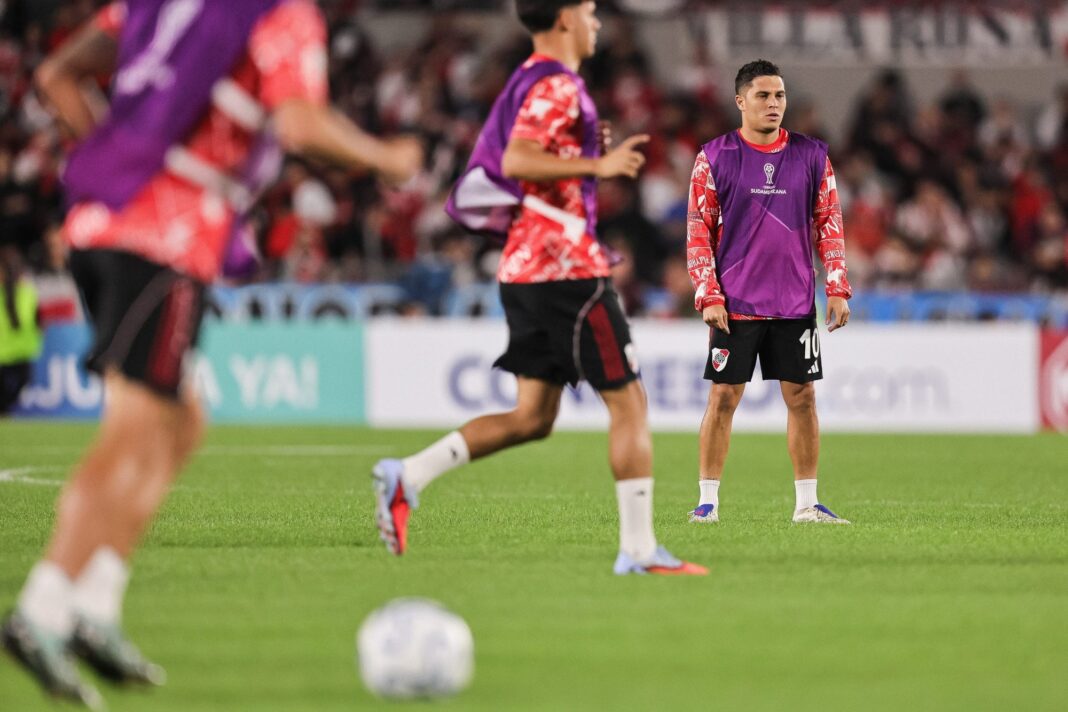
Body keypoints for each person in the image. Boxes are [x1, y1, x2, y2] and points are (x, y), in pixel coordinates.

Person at [1, 1, 422, 707]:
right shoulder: (281, 13)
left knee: (183, 420)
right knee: (135, 429)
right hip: (161, 240)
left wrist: (121, 163)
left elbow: (57, 75)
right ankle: (42, 609)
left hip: (106, 222)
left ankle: (97, 607)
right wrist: (390, 159)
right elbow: (299, 124)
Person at [372, 0, 706, 577]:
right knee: (629, 402)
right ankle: (641, 550)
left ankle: (410, 474)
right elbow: (520, 157)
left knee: (533, 417)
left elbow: (530, 156)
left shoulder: (528, 78)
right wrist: (596, 167)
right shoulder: (556, 83)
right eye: (591, 12)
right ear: (566, 19)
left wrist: (580, 152)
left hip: (525, 267)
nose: (598, 22)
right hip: (566, 270)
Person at [685, 59, 853, 525]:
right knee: (723, 398)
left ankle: (806, 504)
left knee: (803, 397)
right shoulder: (714, 157)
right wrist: (708, 293)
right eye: (762, 95)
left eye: (779, 96)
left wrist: (837, 285)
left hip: (795, 301)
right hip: (735, 303)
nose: (774, 104)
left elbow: (830, 224)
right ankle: (707, 502)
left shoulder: (812, 155)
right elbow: (699, 232)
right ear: (740, 101)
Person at [0, 245, 43, 414]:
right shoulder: (27, 292)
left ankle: (3, 411)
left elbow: (36, 319)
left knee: (16, 386)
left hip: (21, 350)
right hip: (12, 351)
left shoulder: (27, 292)